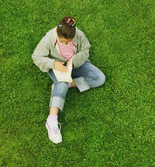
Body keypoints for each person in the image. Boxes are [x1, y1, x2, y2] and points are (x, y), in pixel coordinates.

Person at [32, 16, 106, 144]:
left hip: (75, 64)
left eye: (69, 41)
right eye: (63, 42)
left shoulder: (78, 34)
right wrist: (53, 63)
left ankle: (65, 85)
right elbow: (36, 57)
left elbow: (85, 50)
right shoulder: (49, 38)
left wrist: (73, 62)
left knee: (100, 78)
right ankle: (52, 120)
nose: (66, 44)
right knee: (60, 83)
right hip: (57, 67)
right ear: (57, 33)